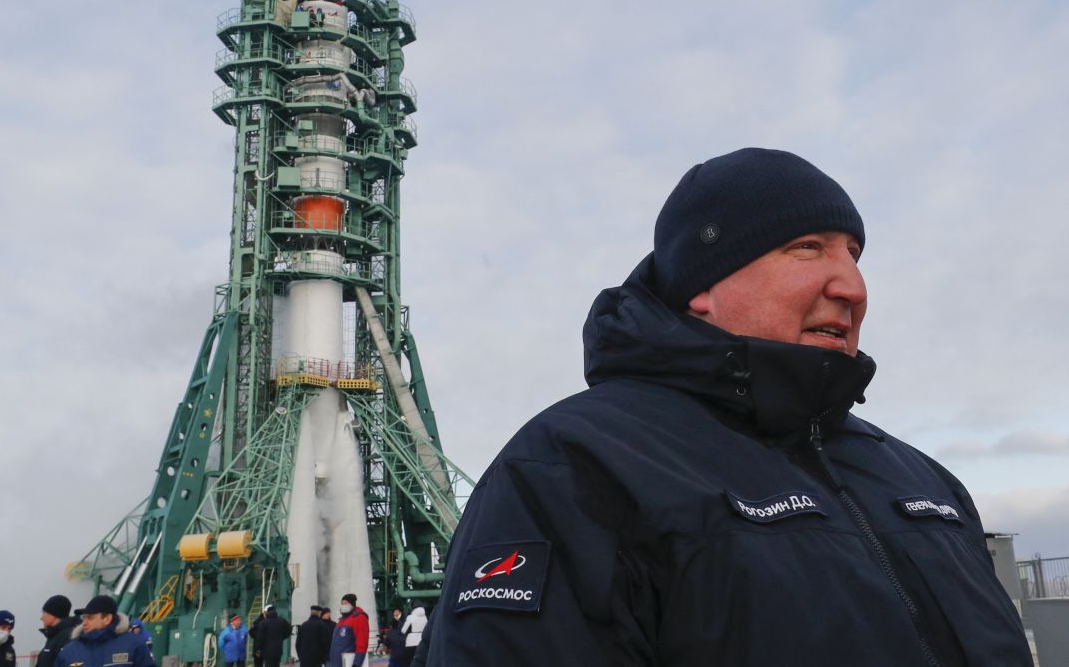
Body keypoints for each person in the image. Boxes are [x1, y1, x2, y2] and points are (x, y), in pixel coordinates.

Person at [419, 148, 1033, 666]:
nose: (852, 285)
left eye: (854, 253)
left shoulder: (921, 478)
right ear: (703, 286)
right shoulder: (572, 468)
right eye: (808, 248)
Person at [54, 595, 154, 667]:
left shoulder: (133, 644)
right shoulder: (69, 651)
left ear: (107, 619)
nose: (84, 623)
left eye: (90, 618)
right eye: (84, 618)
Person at [36, 596, 79, 667]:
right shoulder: (53, 636)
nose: (41, 618)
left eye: (44, 613)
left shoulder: (67, 638)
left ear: (53, 615)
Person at [327, 594, 369, 667]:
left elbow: (362, 644)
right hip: (336, 663)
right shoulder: (342, 620)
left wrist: (356, 664)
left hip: (347, 663)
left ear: (352, 604)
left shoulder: (359, 618)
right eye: (342, 603)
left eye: (346, 603)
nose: (343, 605)